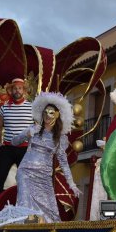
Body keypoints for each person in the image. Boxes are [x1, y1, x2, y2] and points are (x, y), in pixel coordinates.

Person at [11, 92, 80, 223]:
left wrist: (72, 184)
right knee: (25, 205)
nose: (48, 115)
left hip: (44, 178)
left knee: (50, 213)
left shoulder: (60, 139)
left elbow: (64, 163)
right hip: (26, 172)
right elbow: (14, 142)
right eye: (46, 112)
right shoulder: (34, 129)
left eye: (51, 113)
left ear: (57, 115)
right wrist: (26, 134)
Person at [0, 78, 35, 202]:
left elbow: (37, 128)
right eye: (15, 88)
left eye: (20, 88)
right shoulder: (4, 108)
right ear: (11, 90)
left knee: (26, 180)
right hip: (8, 149)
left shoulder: (32, 108)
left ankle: (27, 208)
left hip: (25, 149)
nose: (17, 90)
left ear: (24, 90)